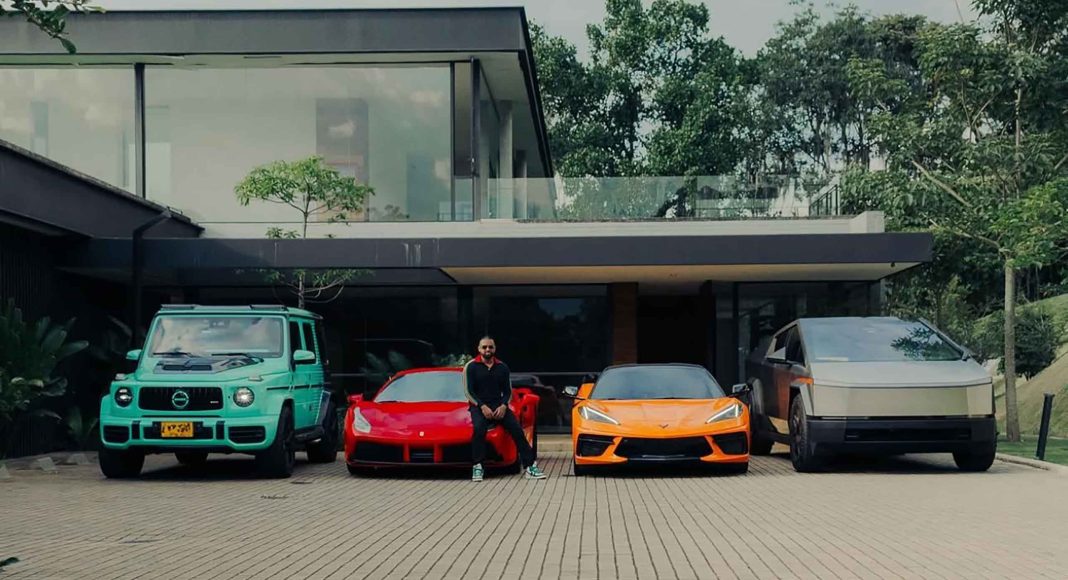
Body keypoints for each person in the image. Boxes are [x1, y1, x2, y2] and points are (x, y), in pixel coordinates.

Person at [463, 336, 547, 482]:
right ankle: (478, 466)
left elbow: (508, 392)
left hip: (499, 406)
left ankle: (530, 467)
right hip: (479, 406)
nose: (487, 349)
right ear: (479, 349)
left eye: (490, 347)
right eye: (484, 347)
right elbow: (468, 391)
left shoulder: (502, 367)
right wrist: (482, 406)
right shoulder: (471, 367)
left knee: (517, 430)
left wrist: (503, 406)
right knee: (479, 429)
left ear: (494, 349)